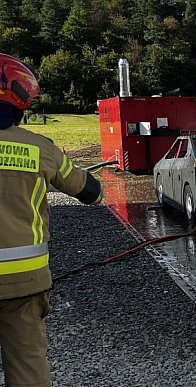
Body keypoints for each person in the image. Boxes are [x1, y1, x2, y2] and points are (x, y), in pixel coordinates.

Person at [0, 53, 104, 387]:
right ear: (18, 99)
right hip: (24, 284)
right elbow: (90, 192)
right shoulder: (38, 148)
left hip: (25, 284)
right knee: (28, 365)